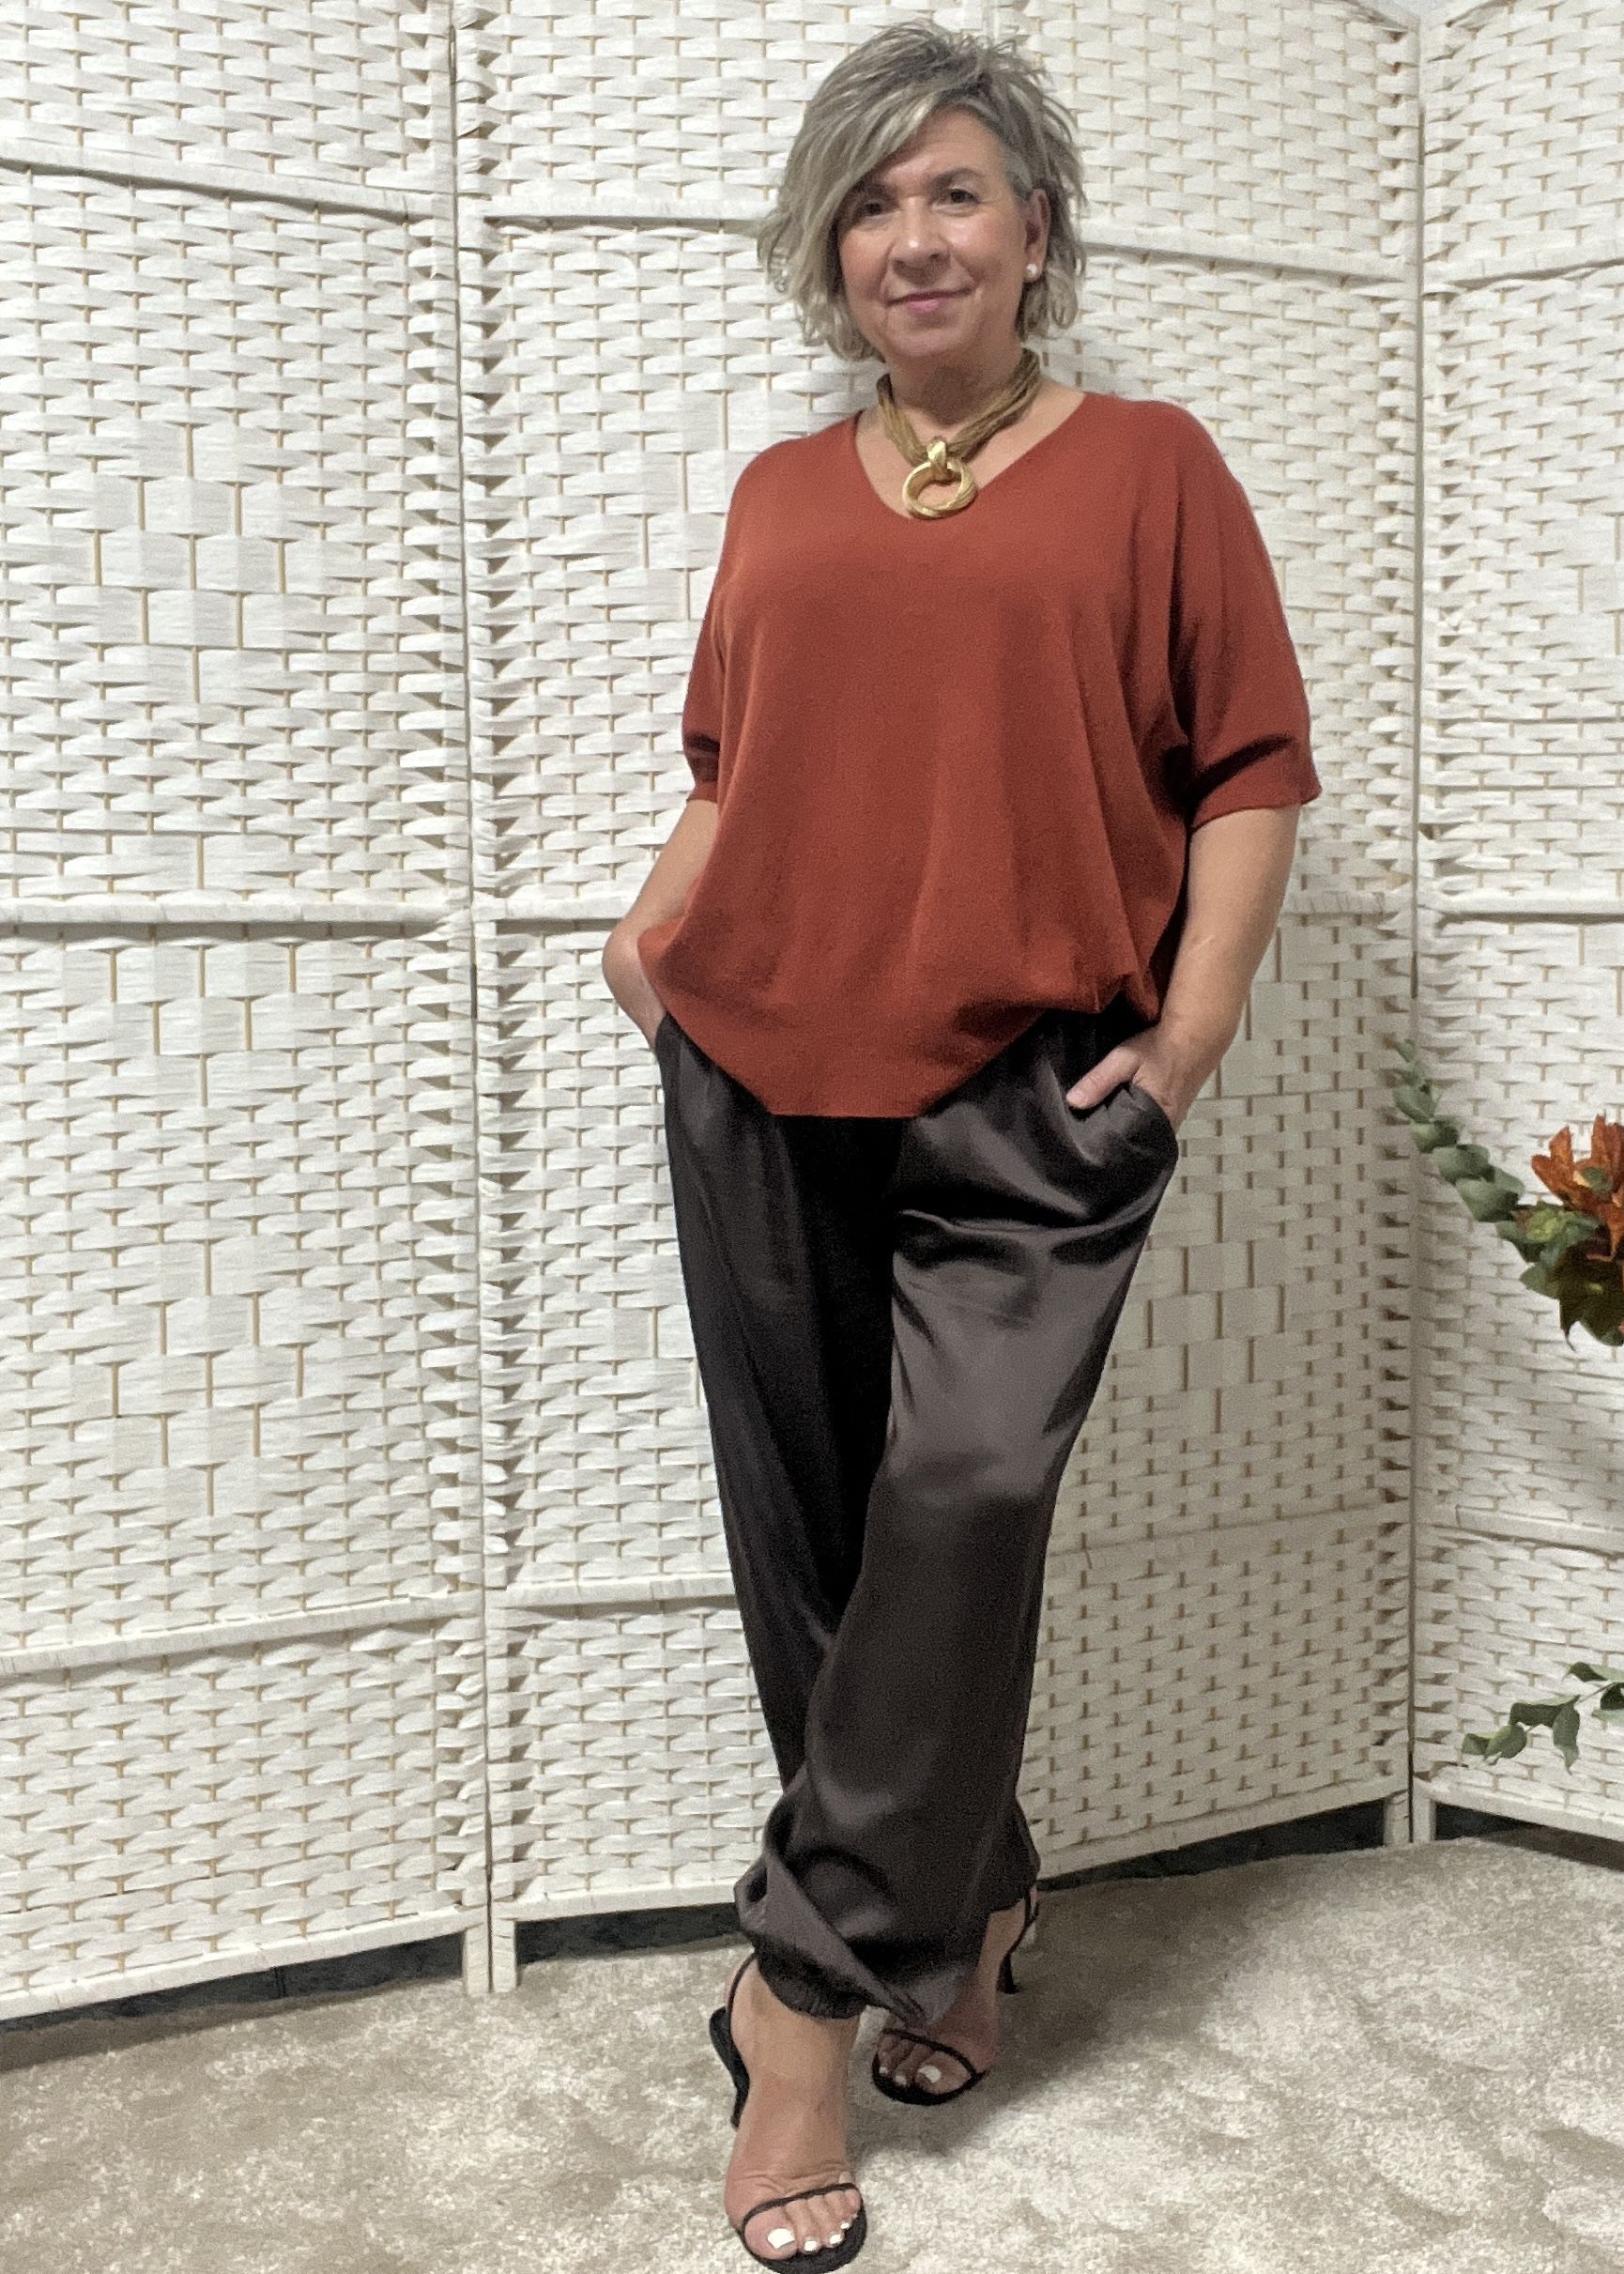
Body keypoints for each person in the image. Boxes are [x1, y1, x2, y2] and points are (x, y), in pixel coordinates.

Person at [602, 18, 1321, 2266]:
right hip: (756, 1063)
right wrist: (649, 941)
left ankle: (799, 2004)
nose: (908, 236)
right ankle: (973, 1893)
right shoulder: (781, 493)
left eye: (950, 192)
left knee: (964, 1502)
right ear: (827, 251)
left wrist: (1186, 1034)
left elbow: (1248, 764)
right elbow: (733, 762)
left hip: (1036, 1082)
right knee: (828, 1550)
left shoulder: (1152, 468)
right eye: (868, 201)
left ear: (1033, 230)